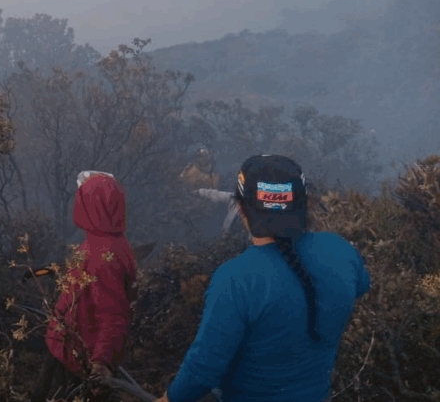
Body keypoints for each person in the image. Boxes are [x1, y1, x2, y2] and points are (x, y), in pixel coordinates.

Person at [154, 154, 372, 402]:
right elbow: (360, 286)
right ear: (305, 204)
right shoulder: (341, 251)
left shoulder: (235, 279)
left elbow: (201, 373)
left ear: (241, 209)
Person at [32, 171, 138, 402]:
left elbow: (113, 315)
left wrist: (101, 364)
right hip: (67, 349)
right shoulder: (108, 242)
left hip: (75, 360)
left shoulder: (104, 256)